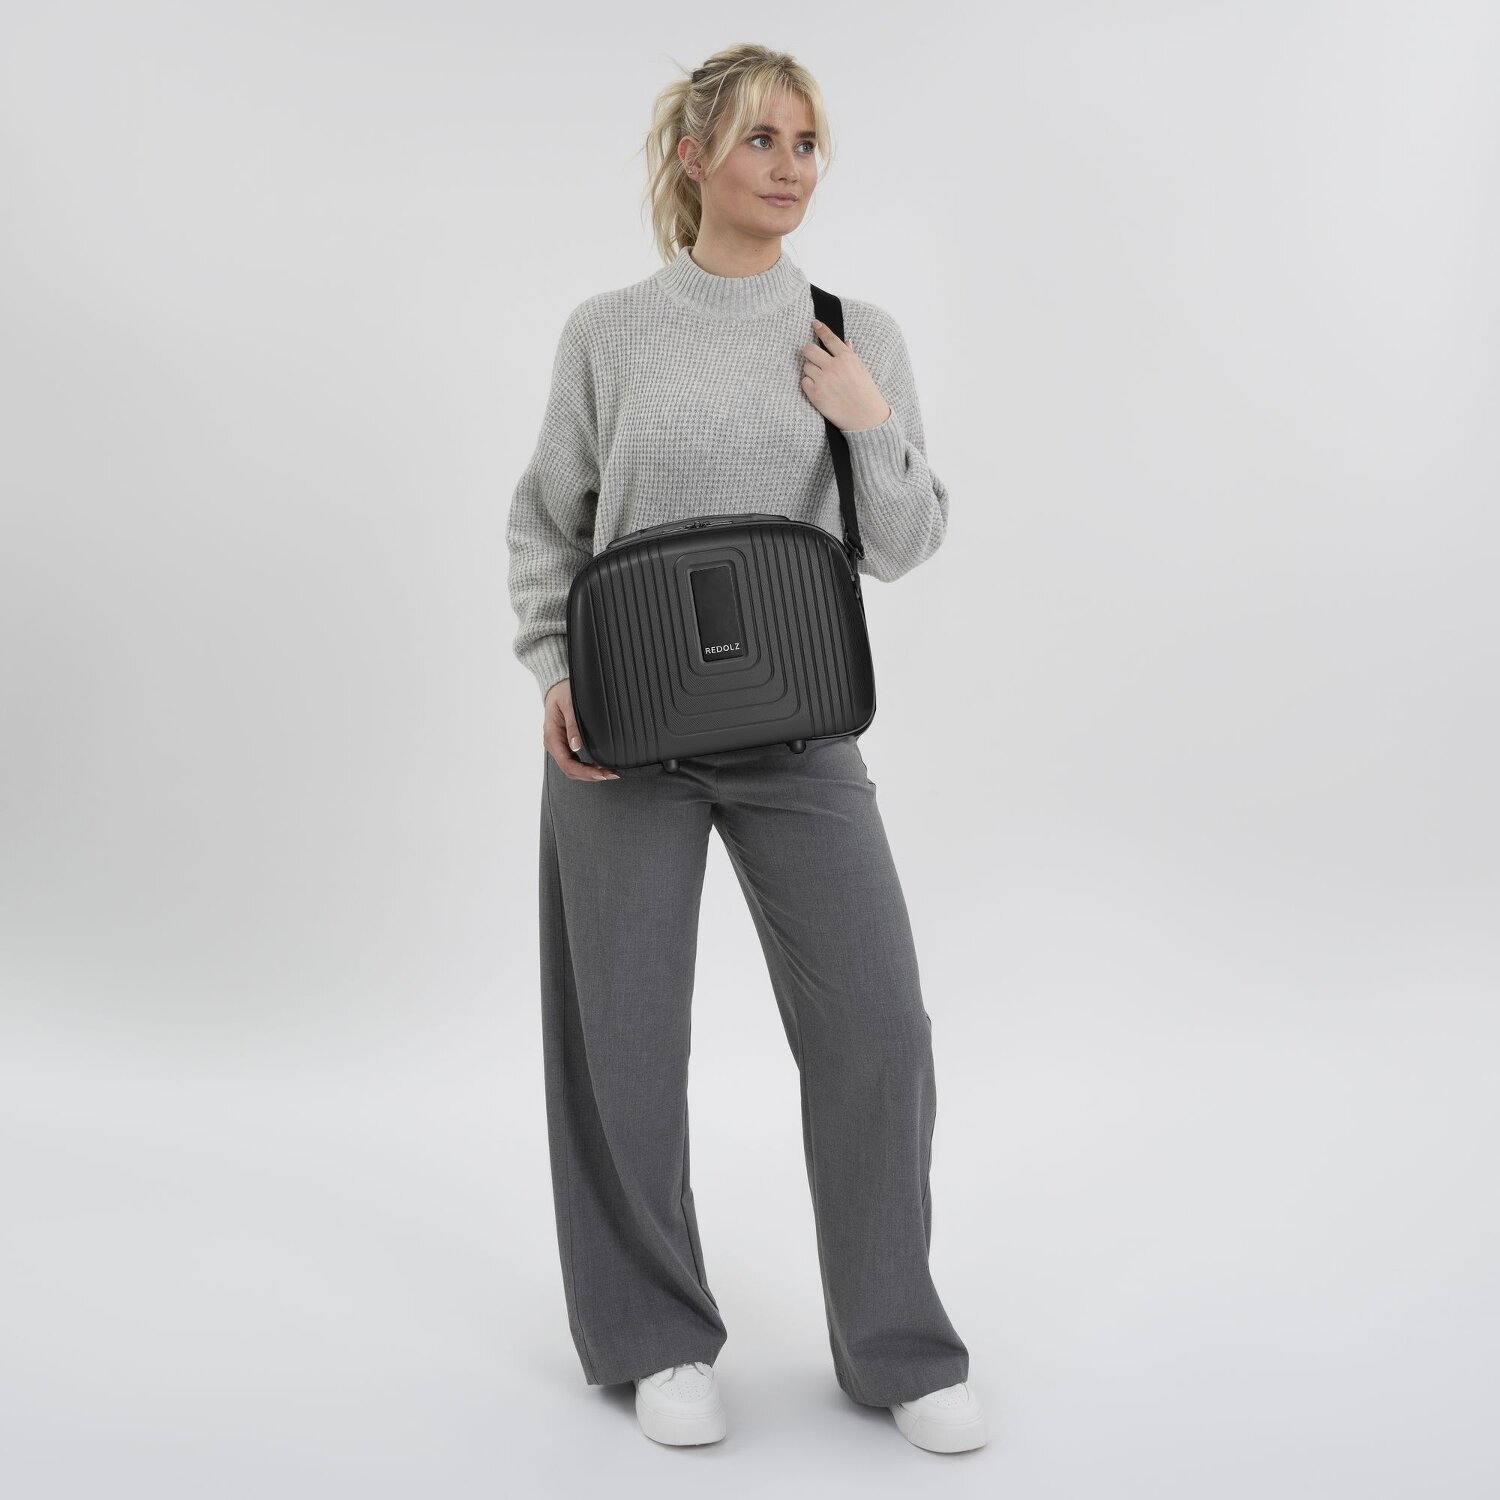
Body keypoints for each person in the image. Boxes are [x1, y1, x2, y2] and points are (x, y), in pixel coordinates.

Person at [505, 44, 988, 1454]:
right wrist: (552, 667)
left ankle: (897, 1347)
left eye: (807, 142)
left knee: (879, 1030)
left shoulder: (852, 332)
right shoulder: (608, 332)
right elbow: (546, 521)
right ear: (694, 156)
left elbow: (903, 544)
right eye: (762, 138)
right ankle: (656, 1336)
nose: (790, 165)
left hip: (798, 731)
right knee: (624, 1047)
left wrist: (870, 423)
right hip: (624, 733)